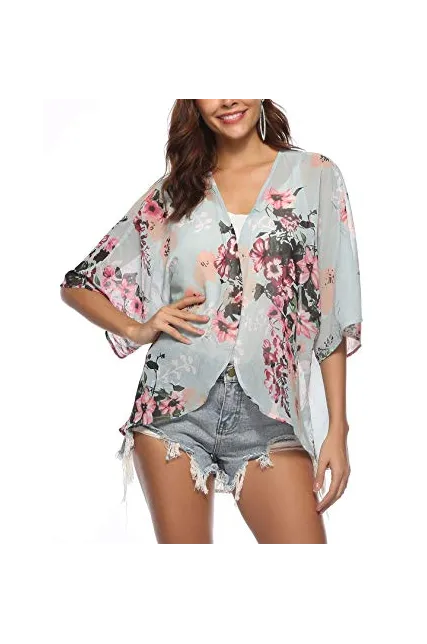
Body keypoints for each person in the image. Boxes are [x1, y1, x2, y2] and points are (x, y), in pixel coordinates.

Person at [60, 97, 362, 544]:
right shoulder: (178, 190)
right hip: (173, 412)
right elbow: (78, 284)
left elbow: (329, 313)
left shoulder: (315, 175)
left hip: (272, 415)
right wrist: (138, 328)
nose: (227, 98)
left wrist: (338, 426)